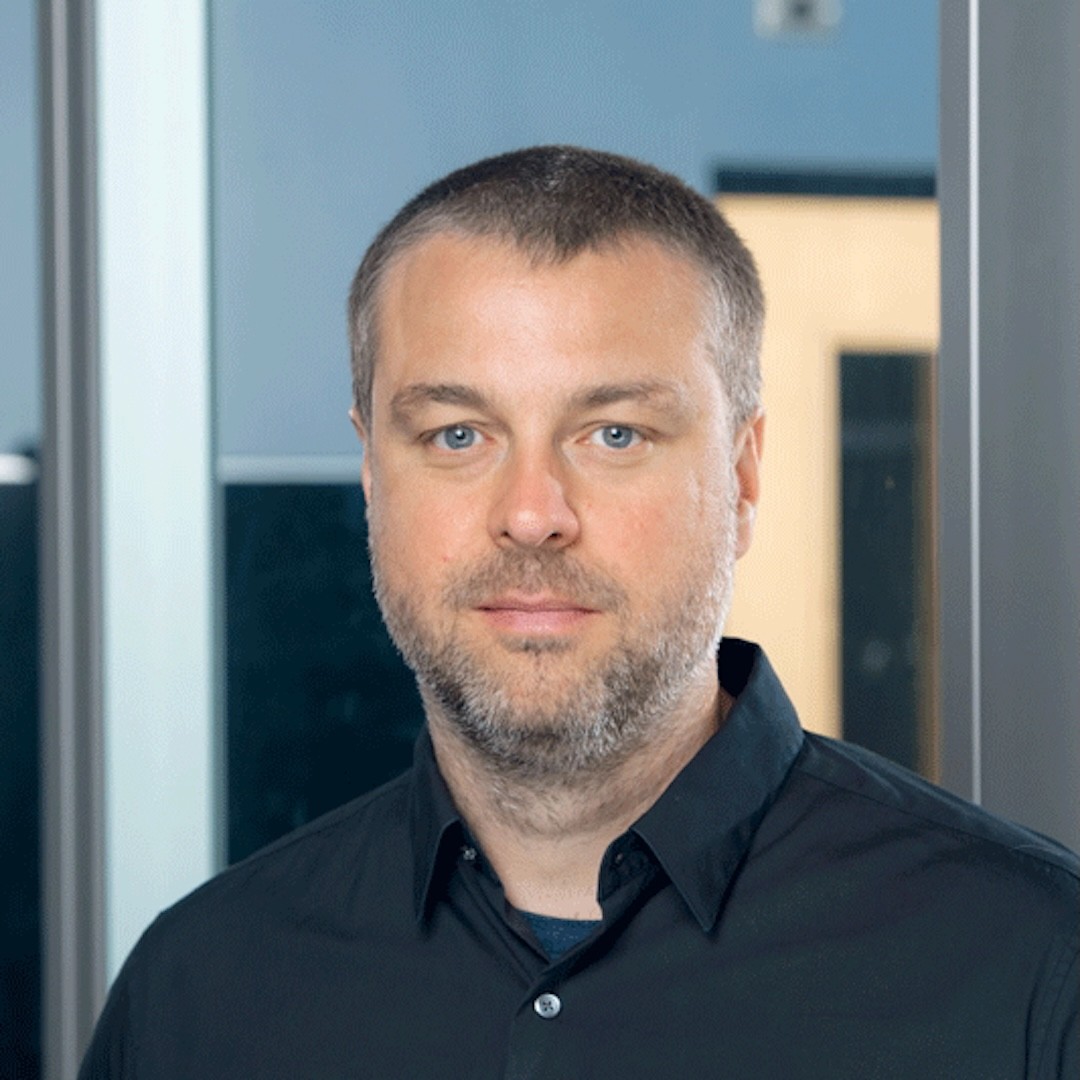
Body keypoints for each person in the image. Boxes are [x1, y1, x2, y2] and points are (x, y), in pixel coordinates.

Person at [80, 146, 1077, 1079]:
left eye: (612, 433)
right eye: (459, 434)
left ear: (741, 474)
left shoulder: (1036, 972)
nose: (530, 515)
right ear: (373, 477)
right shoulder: (198, 994)